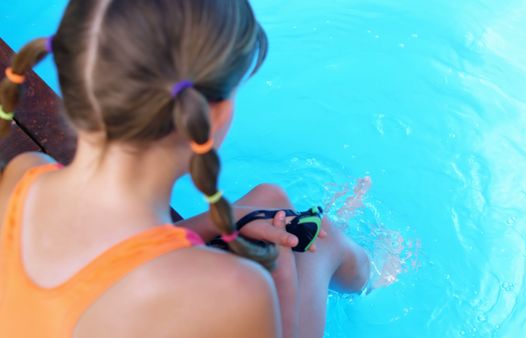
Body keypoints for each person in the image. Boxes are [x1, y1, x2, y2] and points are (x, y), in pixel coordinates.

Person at [0, 1, 370, 337]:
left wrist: (225, 220)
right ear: (215, 116)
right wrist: (283, 274)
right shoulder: (236, 289)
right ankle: (368, 268)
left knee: (268, 199)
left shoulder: (25, 176)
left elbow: (107, 264)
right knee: (322, 243)